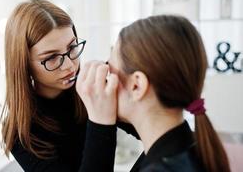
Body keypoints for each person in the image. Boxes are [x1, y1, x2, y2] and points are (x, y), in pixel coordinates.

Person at [76, 15, 231, 172]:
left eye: (109, 69)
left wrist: (99, 123)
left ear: (137, 85)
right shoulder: (195, 145)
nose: (105, 82)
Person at [0, 0, 121, 172]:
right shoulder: (20, 131)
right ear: (24, 64)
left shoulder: (90, 90)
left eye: (72, 48)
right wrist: (100, 119)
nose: (70, 66)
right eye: (51, 58)